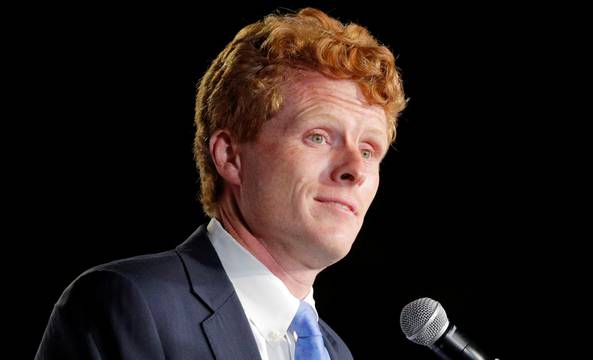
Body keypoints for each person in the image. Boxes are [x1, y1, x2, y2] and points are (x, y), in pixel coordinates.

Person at [35, 7, 406, 360]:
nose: (355, 169)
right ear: (230, 156)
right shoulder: (131, 303)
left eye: (370, 150)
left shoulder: (336, 352)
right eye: (319, 137)